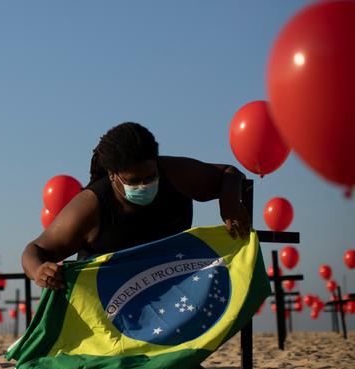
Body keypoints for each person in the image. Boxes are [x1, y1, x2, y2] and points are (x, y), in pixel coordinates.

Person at [22, 122, 252, 291]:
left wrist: (229, 203)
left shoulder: (175, 175)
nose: (144, 185)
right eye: (134, 181)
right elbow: (34, 251)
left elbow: (229, 174)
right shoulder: (91, 206)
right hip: (109, 298)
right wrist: (38, 271)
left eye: (151, 176)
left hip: (166, 285)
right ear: (113, 175)